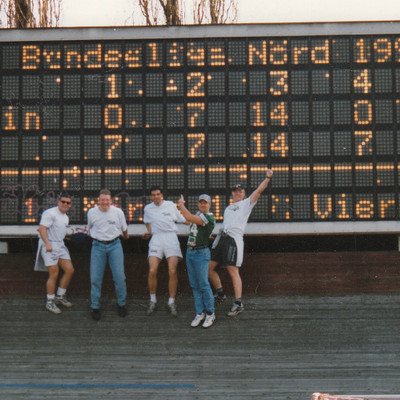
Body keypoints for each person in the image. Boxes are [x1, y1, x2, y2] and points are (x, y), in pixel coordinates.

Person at [209, 169, 273, 317]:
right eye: (235, 191)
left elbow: (258, 190)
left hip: (233, 240)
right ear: (232, 193)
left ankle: (238, 303)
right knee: (209, 268)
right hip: (222, 239)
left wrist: (267, 178)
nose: (237, 193)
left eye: (240, 191)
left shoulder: (246, 203)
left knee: (233, 270)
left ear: (243, 193)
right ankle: (220, 293)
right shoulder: (227, 208)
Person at [143, 186, 187, 317]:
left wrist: (199, 224)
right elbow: (147, 222)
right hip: (156, 239)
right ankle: (152, 301)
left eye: (158, 194)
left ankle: (171, 302)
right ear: (151, 197)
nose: (156, 196)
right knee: (152, 270)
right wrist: (150, 232)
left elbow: (183, 220)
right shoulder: (148, 209)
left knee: (172, 271)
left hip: (171, 238)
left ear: (161, 195)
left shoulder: (170, 205)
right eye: (153, 195)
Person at [87, 189, 129, 321]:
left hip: (115, 245)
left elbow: (124, 229)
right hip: (97, 246)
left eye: (107, 200)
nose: (104, 202)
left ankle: (121, 304)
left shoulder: (118, 212)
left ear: (111, 201)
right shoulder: (91, 212)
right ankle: (95, 306)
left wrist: (126, 237)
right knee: (95, 278)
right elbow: (90, 228)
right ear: (98, 201)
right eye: (102, 200)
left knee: (120, 277)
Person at [178, 194, 216, 328]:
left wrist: (181, 205)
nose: (202, 204)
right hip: (191, 251)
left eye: (205, 203)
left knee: (203, 284)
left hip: (201, 253)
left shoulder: (209, 217)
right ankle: (200, 313)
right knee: (194, 284)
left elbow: (189, 218)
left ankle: (210, 313)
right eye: (200, 202)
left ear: (209, 204)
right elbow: (187, 220)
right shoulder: (198, 215)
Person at [34, 194, 75, 315]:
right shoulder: (50, 213)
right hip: (49, 245)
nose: (65, 204)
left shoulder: (65, 217)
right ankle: (50, 301)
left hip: (60, 245)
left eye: (68, 203)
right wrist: (47, 244)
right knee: (54, 272)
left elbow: (58, 232)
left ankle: (60, 296)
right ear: (58, 202)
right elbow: (42, 229)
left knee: (69, 270)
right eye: (63, 202)